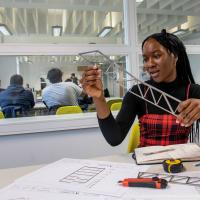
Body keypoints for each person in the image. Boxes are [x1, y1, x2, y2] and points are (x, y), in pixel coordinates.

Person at [80, 29, 200, 148]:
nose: (149, 64)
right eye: (145, 59)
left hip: (179, 164)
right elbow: (114, 138)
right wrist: (99, 98)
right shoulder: (137, 93)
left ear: (174, 57)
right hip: (145, 165)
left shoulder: (194, 92)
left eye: (156, 56)